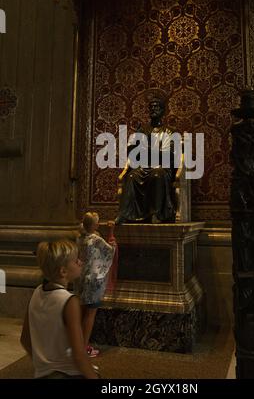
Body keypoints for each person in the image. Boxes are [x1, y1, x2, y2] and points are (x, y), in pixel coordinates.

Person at [20, 240, 99, 379]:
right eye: (76, 260)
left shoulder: (37, 292)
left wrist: (43, 365)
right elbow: (79, 355)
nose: (80, 262)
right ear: (63, 271)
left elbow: (25, 339)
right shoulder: (69, 301)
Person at [115, 96, 177, 224]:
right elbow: (132, 152)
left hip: (162, 167)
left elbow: (168, 155)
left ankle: (156, 213)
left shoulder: (169, 132)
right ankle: (126, 214)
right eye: (151, 107)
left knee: (156, 174)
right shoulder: (142, 131)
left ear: (162, 111)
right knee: (132, 177)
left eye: (157, 107)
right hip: (143, 166)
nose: (153, 109)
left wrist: (145, 151)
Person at [74, 213, 117, 357]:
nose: (99, 225)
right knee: (90, 314)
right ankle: (84, 348)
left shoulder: (80, 238)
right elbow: (110, 249)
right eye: (97, 223)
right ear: (94, 225)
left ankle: (75, 344)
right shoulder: (96, 239)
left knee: (80, 312)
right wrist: (111, 231)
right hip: (93, 280)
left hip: (80, 278)